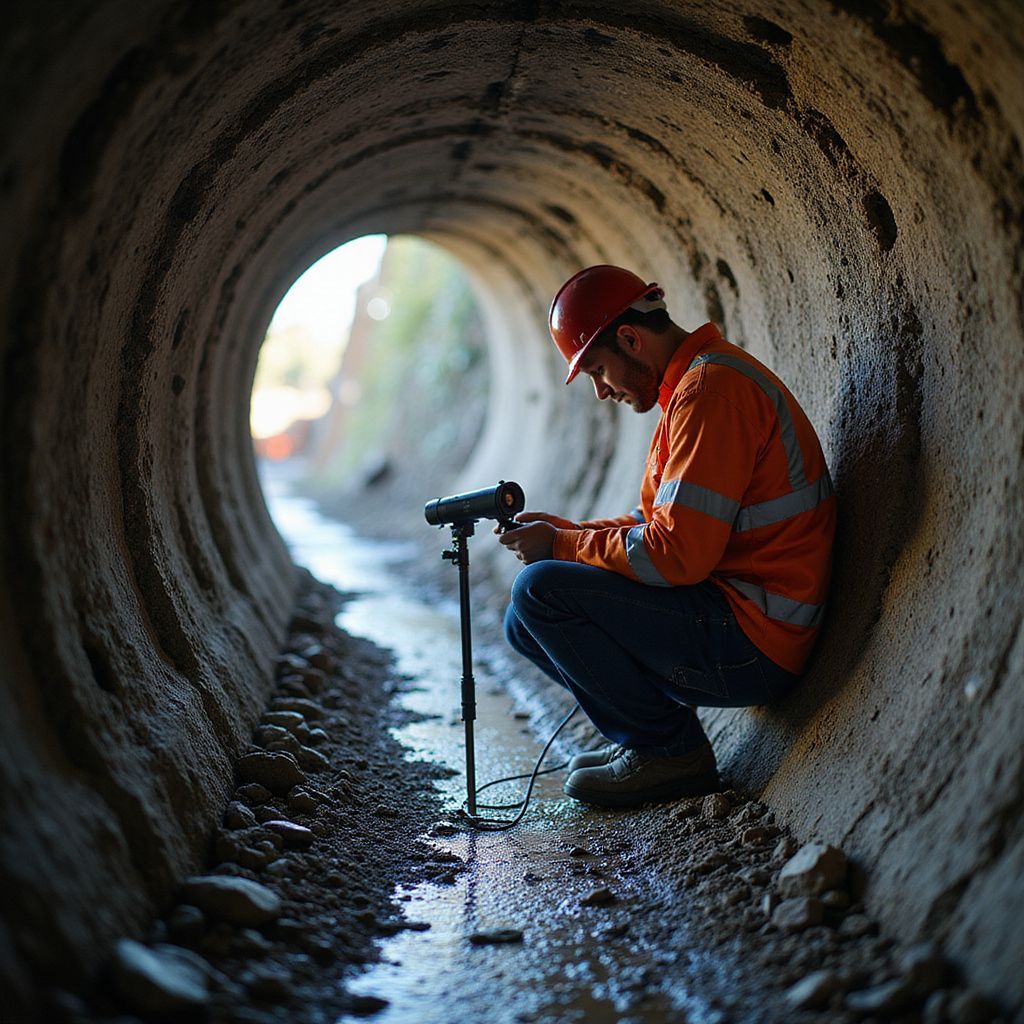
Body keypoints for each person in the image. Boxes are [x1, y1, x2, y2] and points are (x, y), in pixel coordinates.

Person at [498, 265, 836, 808]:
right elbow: (656, 524)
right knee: (523, 623)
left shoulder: (711, 394)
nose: (602, 391)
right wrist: (569, 533)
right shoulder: (692, 389)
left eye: (599, 370)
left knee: (540, 591)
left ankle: (668, 750)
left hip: (757, 639)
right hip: (735, 611)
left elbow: (676, 556)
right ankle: (649, 736)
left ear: (630, 339)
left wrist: (561, 549)